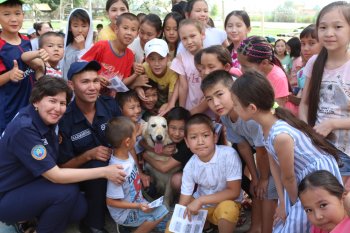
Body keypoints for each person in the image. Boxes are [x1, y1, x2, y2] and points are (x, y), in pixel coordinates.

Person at [0, 77, 126, 233]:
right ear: (36, 101)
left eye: (62, 103)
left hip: (30, 183)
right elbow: (56, 176)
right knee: (66, 193)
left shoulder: (46, 119)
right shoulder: (25, 128)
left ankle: (32, 221)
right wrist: (105, 172)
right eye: (52, 101)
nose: (57, 108)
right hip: (6, 194)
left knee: (78, 208)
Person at [231, 69, 342, 233]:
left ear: (252, 108)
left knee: (294, 225)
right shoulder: (267, 127)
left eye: (235, 104)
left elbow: (288, 177)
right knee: (284, 223)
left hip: (316, 178)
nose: (233, 108)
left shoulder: (280, 135)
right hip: (298, 180)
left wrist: (293, 205)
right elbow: (274, 166)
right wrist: (282, 203)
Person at [201, 70, 277, 233]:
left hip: (276, 154)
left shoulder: (248, 115)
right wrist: (255, 178)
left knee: (267, 190)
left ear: (233, 90)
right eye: (209, 99)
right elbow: (242, 145)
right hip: (264, 153)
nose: (215, 103)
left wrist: (262, 178)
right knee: (256, 188)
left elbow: (262, 150)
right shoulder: (226, 116)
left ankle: (266, 229)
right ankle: (255, 227)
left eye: (219, 94)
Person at [58, 60, 122, 233]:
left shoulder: (110, 105)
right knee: (97, 166)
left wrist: (139, 172)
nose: (93, 87)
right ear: (71, 85)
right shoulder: (64, 118)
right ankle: (93, 224)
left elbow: (126, 141)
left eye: (95, 81)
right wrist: (88, 155)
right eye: (85, 82)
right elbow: (62, 167)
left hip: (116, 168)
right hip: (83, 178)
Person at [299, 1, 350, 189]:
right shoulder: (314, 62)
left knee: (337, 203)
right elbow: (304, 103)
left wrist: (332, 123)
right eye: (323, 27)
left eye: (337, 26)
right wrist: (306, 129)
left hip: (345, 151)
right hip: (317, 145)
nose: (329, 33)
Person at [175, 113, 242, 233]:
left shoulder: (228, 154)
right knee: (173, 228)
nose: (200, 141)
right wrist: (177, 222)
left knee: (228, 208)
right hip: (202, 209)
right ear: (186, 142)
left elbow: (234, 192)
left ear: (215, 137)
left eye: (205, 135)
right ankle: (206, 226)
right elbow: (184, 201)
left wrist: (201, 200)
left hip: (224, 204)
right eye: (194, 137)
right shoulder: (190, 166)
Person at [105, 116, 168, 233]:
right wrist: (138, 207)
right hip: (125, 214)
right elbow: (111, 201)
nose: (138, 136)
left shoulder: (125, 153)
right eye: (136, 135)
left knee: (164, 221)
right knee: (162, 211)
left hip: (137, 203)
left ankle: (132, 226)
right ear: (128, 142)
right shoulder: (118, 170)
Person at [82, 12, 140, 97]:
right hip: (91, 95)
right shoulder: (102, 46)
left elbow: (122, 82)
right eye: (125, 28)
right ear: (116, 29)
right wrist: (96, 77)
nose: (129, 33)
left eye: (133, 30)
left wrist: (136, 74)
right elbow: (81, 64)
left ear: (137, 34)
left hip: (110, 100)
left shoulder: (130, 55)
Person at [0, 0, 35, 134]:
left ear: (23, 15)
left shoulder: (26, 41)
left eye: (17, 13)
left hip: (29, 105)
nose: (13, 19)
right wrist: (9, 75)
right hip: (8, 108)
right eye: (6, 14)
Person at [237, 36, 296, 113]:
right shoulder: (254, 73)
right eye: (240, 65)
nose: (241, 70)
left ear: (264, 63)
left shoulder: (278, 78)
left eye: (245, 66)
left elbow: (277, 109)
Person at [142, 107, 192, 193]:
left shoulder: (186, 145)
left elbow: (164, 168)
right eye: (173, 128)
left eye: (182, 129)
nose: (177, 134)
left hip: (187, 178)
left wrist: (144, 155)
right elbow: (141, 143)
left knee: (176, 180)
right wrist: (160, 151)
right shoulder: (166, 137)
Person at [171, 19, 208, 115]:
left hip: (209, 106)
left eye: (192, 36)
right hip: (189, 107)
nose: (189, 41)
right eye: (184, 38)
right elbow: (183, 86)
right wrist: (182, 110)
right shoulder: (181, 58)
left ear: (202, 35)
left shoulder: (211, 56)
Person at [138, 38, 178, 115]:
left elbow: (171, 100)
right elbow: (134, 84)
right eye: (152, 59)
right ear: (146, 59)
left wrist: (167, 105)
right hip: (151, 100)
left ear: (168, 58)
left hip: (167, 99)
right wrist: (137, 87)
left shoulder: (173, 71)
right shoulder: (144, 68)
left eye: (161, 58)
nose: (157, 64)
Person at [61, 8, 94, 80]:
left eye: (84, 26)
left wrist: (82, 48)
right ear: (70, 27)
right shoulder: (64, 48)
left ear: (89, 27)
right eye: (75, 26)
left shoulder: (93, 49)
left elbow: (88, 71)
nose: (80, 30)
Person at [296, 24, 322, 98]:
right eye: (303, 44)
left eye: (311, 43)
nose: (305, 48)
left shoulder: (332, 72)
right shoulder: (301, 73)